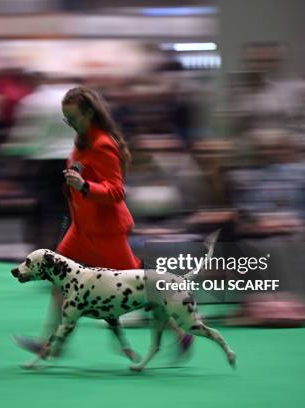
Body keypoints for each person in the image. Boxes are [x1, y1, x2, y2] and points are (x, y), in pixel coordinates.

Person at [14, 86, 193, 358]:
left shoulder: (103, 145)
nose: (69, 124)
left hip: (107, 231)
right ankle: (52, 345)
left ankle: (181, 335)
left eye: (72, 117)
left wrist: (85, 187)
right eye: (65, 119)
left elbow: (116, 190)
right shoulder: (81, 140)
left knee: (143, 290)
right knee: (58, 282)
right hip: (81, 229)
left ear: (88, 113)